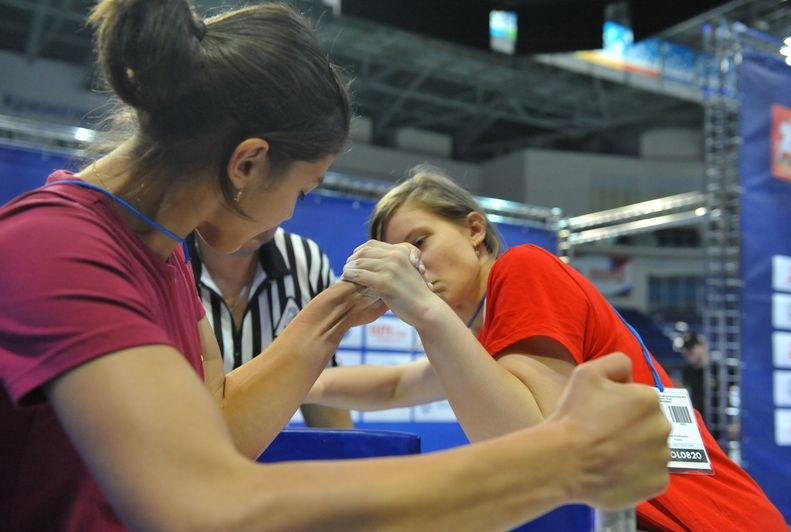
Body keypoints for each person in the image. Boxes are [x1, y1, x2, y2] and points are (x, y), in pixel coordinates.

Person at [0, 2, 672, 530]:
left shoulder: (163, 256)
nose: (292, 214)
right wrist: (569, 459)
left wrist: (338, 306)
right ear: (247, 163)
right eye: (305, 189)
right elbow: (206, 505)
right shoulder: (58, 244)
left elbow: (219, 427)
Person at [308, 167, 788, 531]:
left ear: (475, 230)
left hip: (702, 518)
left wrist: (425, 313)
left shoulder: (524, 269)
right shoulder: (482, 335)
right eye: (401, 259)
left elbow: (531, 449)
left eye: (419, 243)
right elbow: (394, 386)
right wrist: (289, 380)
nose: (412, 267)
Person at [187, 227, 352, 428]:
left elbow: (319, 388)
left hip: (267, 451)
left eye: (297, 195)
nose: (252, 207)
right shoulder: (163, 255)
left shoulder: (306, 261)